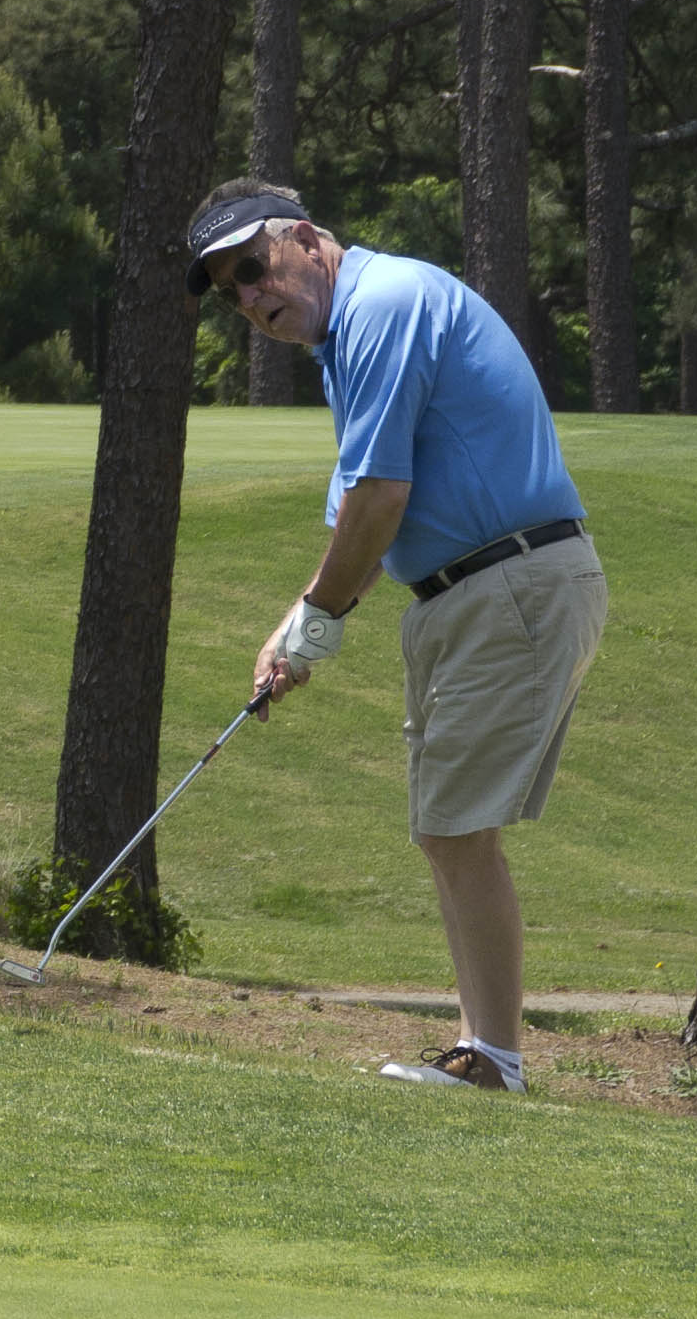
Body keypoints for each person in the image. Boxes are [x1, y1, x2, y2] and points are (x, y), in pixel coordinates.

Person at [184, 177, 608, 1094]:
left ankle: (492, 1058)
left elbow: (382, 500)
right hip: (466, 594)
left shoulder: (385, 303)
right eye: (230, 291)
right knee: (444, 829)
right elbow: (357, 528)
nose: (250, 298)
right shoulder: (344, 344)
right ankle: (480, 1046)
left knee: (457, 828)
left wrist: (319, 621)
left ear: (305, 239)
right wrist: (293, 634)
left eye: (253, 268)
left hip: (512, 581)